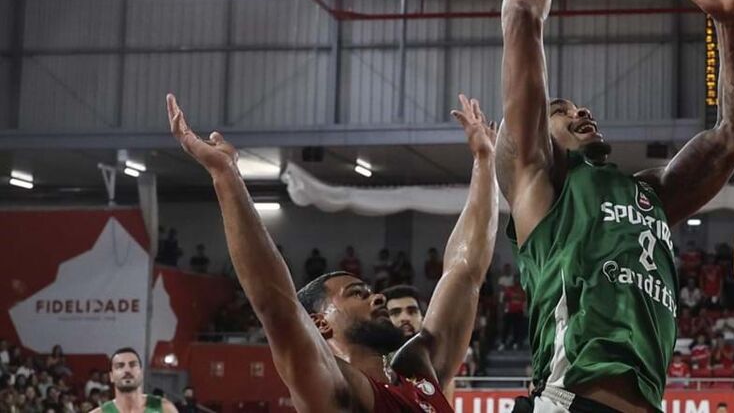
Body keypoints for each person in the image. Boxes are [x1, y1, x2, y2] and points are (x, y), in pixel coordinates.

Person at [495, 0, 734, 412]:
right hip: (567, 401)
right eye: (560, 111)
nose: (579, 110)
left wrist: (728, 22)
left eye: (576, 106)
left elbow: (731, 136)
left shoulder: (647, 193)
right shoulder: (540, 188)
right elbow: (522, 21)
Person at [167, 93, 498, 412]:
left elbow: (465, 271)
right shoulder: (336, 389)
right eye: (358, 293)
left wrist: (485, 162)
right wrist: (226, 176)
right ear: (320, 324)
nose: (379, 298)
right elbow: (276, 306)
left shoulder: (418, 368)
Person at [89, 348, 178, 413]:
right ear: (111, 376)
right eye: (120, 366)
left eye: (132, 365)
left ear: (141, 373)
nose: (127, 370)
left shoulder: (164, 408)